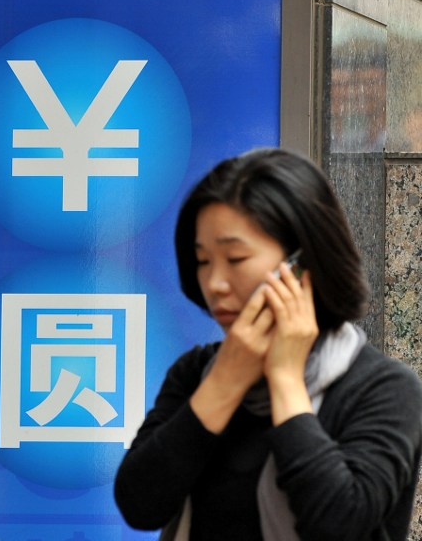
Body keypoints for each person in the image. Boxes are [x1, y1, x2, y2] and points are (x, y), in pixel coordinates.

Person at [114, 148, 422, 540]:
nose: (215, 283)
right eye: (204, 261)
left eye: (236, 258)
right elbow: (140, 505)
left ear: (301, 263)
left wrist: (285, 380)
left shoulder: (383, 387)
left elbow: (343, 523)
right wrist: (226, 378)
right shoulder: (196, 374)